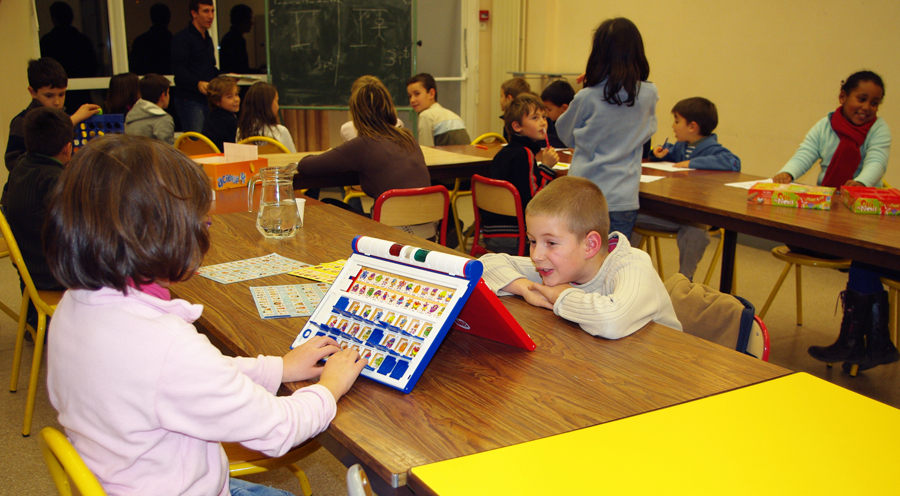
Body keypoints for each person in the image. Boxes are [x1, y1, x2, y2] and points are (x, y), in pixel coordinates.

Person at [44, 134, 367, 496]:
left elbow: (186, 376)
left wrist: (279, 368)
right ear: (159, 233)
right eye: (202, 222)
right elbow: (279, 429)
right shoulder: (164, 345)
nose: (204, 229)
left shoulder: (74, 306)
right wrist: (331, 386)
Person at [773, 71, 898, 373]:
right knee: (857, 260)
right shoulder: (825, 125)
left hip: (864, 210)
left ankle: (856, 341)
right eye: (862, 98)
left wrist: (858, 184)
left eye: (875, 102)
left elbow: (877, 162)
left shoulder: (878, 129)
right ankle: (873, 344)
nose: (867, 107)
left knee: (863, 257)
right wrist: (787, 174)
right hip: (829, 208)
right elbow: (806, 153)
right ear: (843, 97)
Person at [479, 176, 681, 339]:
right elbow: (484, 265)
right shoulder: (560, 266)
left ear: (590, 245)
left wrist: (561, 296)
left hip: (669, 371)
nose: (536, 256)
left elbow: (611, 322)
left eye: (551, 243)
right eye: (532, 241)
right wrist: (525, 289)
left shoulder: (633, 265)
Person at [555, 17, 658, 239]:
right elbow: (648, 131)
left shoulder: (587, 97)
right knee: (614, 264)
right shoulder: (649, 94)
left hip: (583, 195)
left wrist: (590, 84)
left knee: (580, 262)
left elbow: (564, 133)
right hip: (623, 197)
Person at [297, 76, 432, 236]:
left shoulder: (363, 144)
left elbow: (305, 166)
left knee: (326, 204)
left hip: (391, 234)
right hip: (429, 232)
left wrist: (328, 153)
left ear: (356, 113)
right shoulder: (407, 137)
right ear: (389, 106)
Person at [631, 97, 741, 280]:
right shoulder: (681, 147)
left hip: (694, 215)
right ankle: (626, 271)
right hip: (672, 211)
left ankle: (684, 280)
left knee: (696, 233)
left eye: (676, 121)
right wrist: (657, 154)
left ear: (692, 127)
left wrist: (694, 163)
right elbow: (668, 154)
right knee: (631, 216)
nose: (673, 126)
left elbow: (734, 162)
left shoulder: (712, 149)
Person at [5, 108, 71, 331]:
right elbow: (76, 232)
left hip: (29, 270)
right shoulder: (54, 180)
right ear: (67, 148)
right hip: (54, 275)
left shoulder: (21, 165)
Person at [3, 58, 100, 203]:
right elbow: (13, 161)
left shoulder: (63, 118)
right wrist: (72, 120)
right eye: (49, 95)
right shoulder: (22, 122)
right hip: (26, 200)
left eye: (61, 94)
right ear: (33, 92)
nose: (57, 102)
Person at [480, 93, 558, 255]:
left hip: (490, 232)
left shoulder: (503, 153)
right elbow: (534, 203)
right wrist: (547, 168)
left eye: (544, 117)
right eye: (535, 118)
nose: (543, 122)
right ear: (517, 127)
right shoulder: (525, 155)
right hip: (515, 236)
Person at [39, 1, 99, 111]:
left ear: (53, 19)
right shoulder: (82, 40)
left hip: (63, 92)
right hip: (81, 95)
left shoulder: (47, 41)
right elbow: (93, 66)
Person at [171, 0, 220, 132]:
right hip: (189, 99)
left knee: (210, 139)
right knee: (196, 141)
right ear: (194, 13)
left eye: (212, 11)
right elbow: (179, 70)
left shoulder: (207, 39)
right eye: (205, 11)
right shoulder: (182, 38)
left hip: (208, 99)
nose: (210, 16)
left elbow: (209, 68)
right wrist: (197, 83)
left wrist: (224, 76)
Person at [406, 73, 470, 146]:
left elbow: (426, 152)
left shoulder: (426, 116)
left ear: (431, 94)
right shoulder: (454, 116)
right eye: (409, 96)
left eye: (417, 94)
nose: (412, 100)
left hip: (448, 157)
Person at [236, 81, 296, 152]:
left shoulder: (241, 131)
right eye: (277, 101)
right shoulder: (281, 132)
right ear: (268, 106)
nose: (278, 107)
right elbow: (293, 160)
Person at [125, 74, 175, 145]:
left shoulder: (131, 116)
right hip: (153, 156)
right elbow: (167, 153)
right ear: (163, 96)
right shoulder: (163, 119)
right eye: (168, 92)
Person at [130, 3, 172, 76]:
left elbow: (135, 67)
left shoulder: (141, 41)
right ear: (168, 19)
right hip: (168, 83)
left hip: (146, 83)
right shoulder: (173, 41)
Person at [201, 77, 240, 152]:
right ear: (217, 101)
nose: (236, 99)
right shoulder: (229, 121)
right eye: (229, 97)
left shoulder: (210, 116)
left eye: (236, 94)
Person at [219, 4, 255, 74]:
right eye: (249, 19)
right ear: (243, 20)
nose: (251, 23)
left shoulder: (232, 38)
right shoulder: (234, 40)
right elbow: (240, 69)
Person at [541, 80, 575, 149]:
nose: (545, 112)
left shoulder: (574, 124)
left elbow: (563, 143)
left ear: (564, 108)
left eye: (549, 109)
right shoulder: (549, 121)